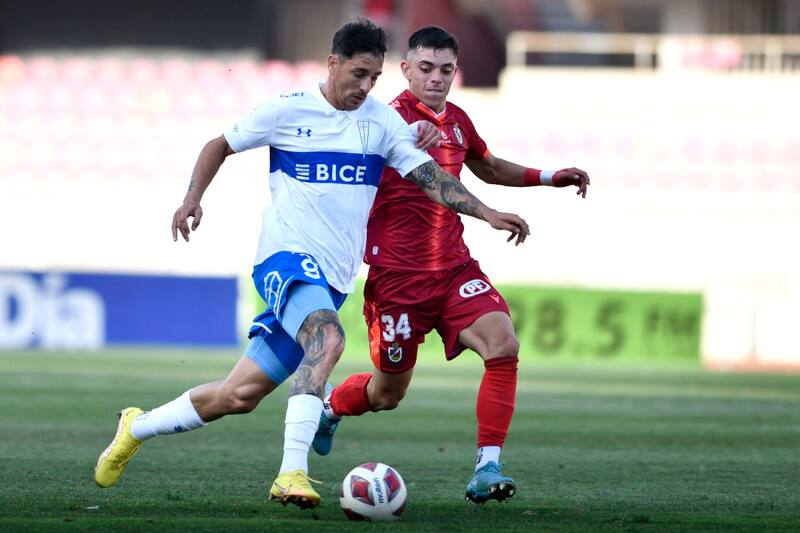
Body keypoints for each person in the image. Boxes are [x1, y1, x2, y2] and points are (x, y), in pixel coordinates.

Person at [93, 19, 530, 510]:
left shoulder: (381, 123)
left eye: (374, 78)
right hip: (284, 259)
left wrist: (486, 212)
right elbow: (218, 144)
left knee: (238, 396)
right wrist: (192, 198)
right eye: (358, 74)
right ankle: (291, 473)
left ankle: (137, 425)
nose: (365, 88)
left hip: (333, 277)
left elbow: (430, 177)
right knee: (329, 339)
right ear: (333, 63)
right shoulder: (287, 109)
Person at [311, 26, 590, 504]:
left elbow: (488, 165)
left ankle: (488, 466)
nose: (436, 78)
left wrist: (547, 176)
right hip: (397, 280)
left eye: (445, 70)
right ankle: (331, 407)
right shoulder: (380, 120)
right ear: (405, 70)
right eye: (426, 68)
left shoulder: (457, 120)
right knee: (387, 394)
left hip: (455, 269)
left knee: (503, 345)